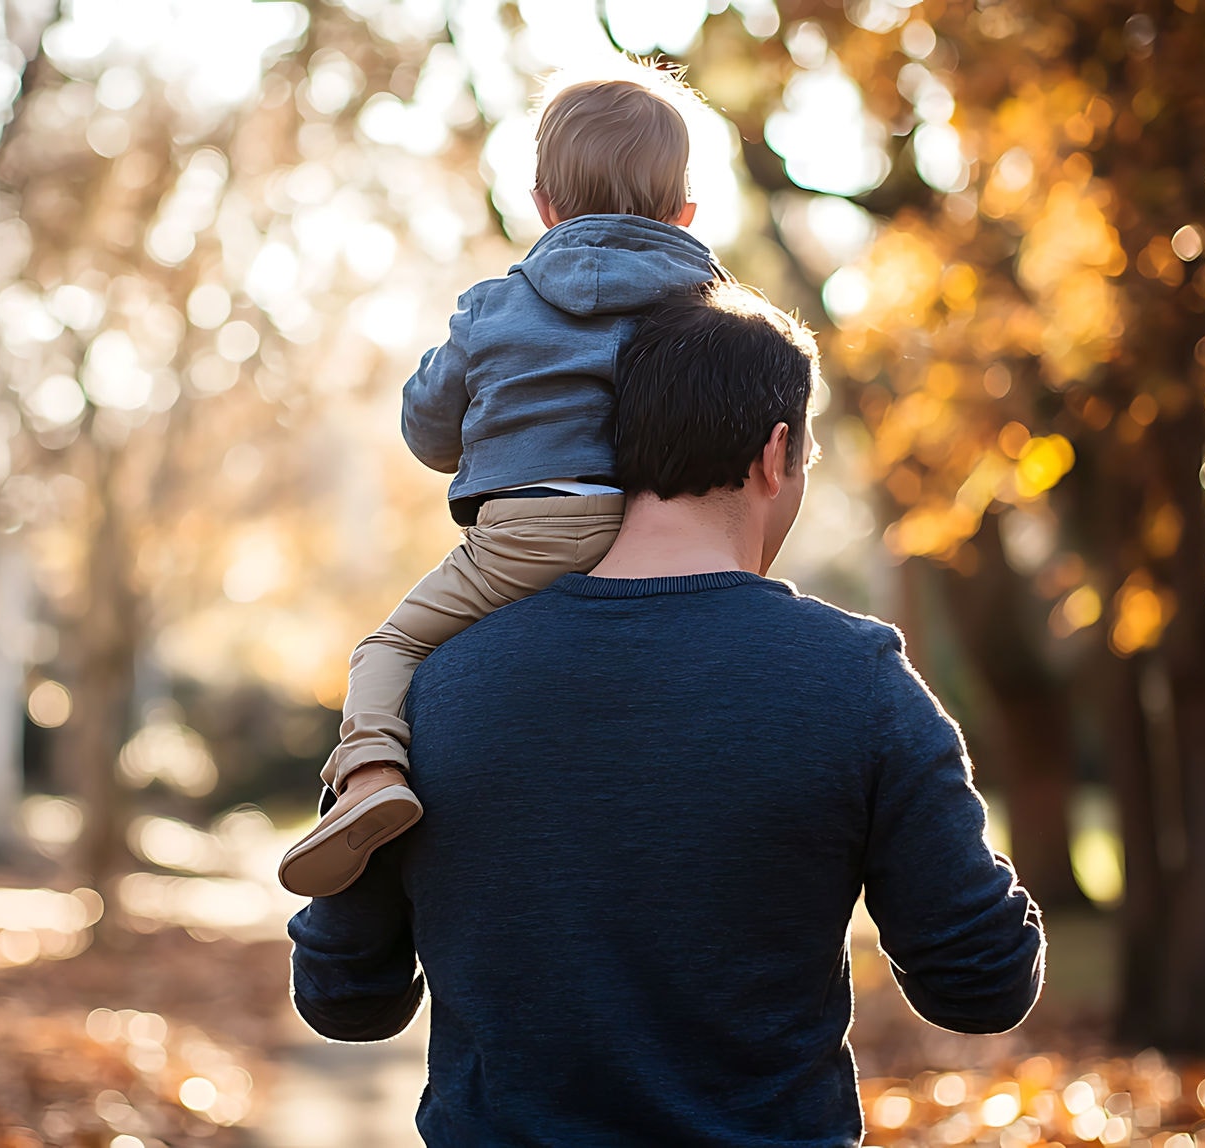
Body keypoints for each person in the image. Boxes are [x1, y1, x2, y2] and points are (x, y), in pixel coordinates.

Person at [287, 281, 1047, 1147]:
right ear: (776, 454)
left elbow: (343, 997)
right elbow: (983, 984)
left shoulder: (433, 685)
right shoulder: (856, 681)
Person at [278, 65, 730, 897]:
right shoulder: (707, 311)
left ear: (543, 205)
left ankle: (371, 778)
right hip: (650, 534)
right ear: (685, 213)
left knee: (392, 645)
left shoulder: (494, 306)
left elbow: (427, 432)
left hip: (522, 533)